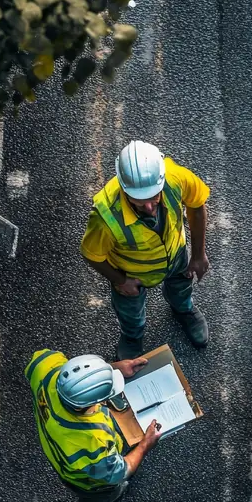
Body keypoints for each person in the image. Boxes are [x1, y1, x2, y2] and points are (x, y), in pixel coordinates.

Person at [81, 140, 210, 358]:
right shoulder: (104, 216)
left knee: (181, 288)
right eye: (139, 201)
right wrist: (121, 280)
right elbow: (91, 254)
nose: (149, 208)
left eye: (154, 197)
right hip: (132, 273)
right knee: (131, 313)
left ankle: (183, 310)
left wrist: (198, 255)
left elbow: (197, 206)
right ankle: (132, 336)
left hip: (176, 255)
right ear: (123, 188)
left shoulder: (175, 176)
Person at [25, 349, 162, 502]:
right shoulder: (90, 443)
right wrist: (145, 445)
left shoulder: (46, 365)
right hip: (88, 482)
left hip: (59, 454)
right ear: (86, 405)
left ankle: (112, 495)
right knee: (100, 497)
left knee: (113, 488)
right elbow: (118, 472)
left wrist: (113, 370)